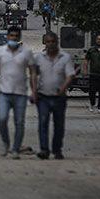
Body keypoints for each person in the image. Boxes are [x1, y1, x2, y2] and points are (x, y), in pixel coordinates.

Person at [0, 27, 35, 159]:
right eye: (11, 35)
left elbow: (33, 72)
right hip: (4, 93)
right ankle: (6, 144)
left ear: (19, 38)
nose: (13, 38)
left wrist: (34, 91)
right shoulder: (1, 51)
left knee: (19, 122)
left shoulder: (27, 52)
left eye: (16, 36)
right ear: (7, 37)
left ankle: (15, 149)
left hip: (21, 93)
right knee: (2, 119)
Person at [31, 32, 74, 160]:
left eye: (52, 42)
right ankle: (44, 149)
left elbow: (70, 75)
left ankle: (57, 149)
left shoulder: (65, 58)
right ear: (45, 43)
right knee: (43, 123)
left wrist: (63, 88)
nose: (50, 44)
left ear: (57, 42)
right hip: (43, 96)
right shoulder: (39, 58)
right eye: (48, 42)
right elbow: (34, 75)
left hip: (59, 97)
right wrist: (33, 91)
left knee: (59, 125)